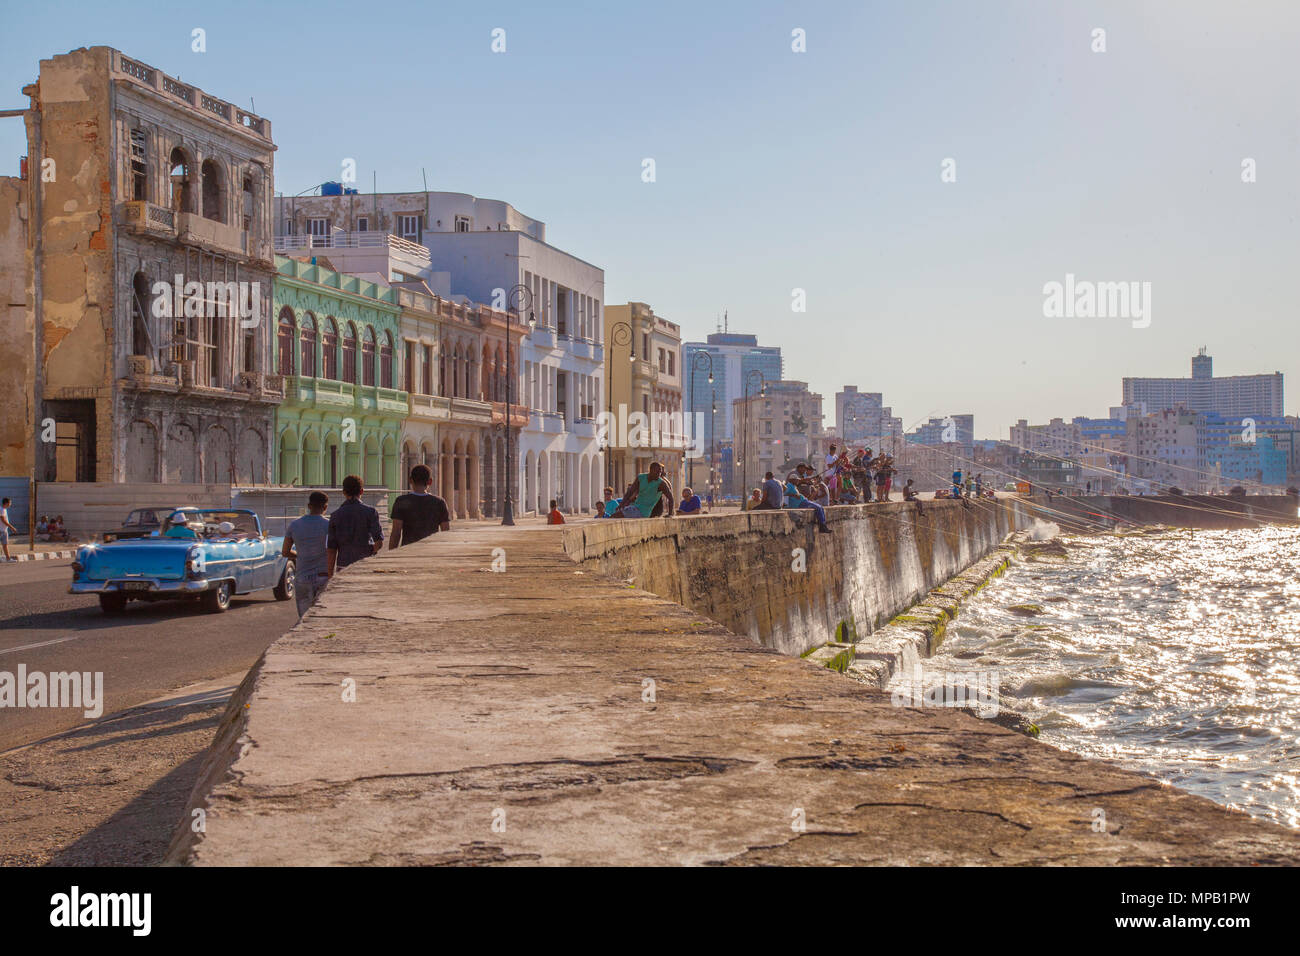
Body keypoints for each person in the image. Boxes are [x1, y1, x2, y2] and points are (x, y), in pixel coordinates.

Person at [283, 491, 331, 618]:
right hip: (323, 575)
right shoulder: (329, 525)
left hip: (302, 576)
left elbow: (285, 552)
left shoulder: (294, 525)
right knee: (322, 617)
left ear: (309, 506)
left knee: (304, 619)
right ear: (325, 507)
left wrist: (300, 555)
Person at [327, 475, 384, 575]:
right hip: (364, 565)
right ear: (361, 491)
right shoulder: (370, 512)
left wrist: (330, 575)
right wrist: (370, 551)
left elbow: (331, 549)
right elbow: (379, 542)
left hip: (343, 566)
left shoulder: (335, 516)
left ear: (344, 492)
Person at [388, 464, 450, 548]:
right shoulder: (439, 502)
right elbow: (445, 532)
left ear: (410, 480)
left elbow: (396, 532)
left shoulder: (401, 501)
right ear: (430, 481)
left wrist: (391, 554)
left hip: (407, 551)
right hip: (432, 550)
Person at [0, 497, 16, 561]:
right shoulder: (1, 509)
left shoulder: (4, 509)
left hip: (4, 530)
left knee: (5, 545)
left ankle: (8, 558)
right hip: (1, 530)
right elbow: (3, 520)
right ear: (6, 503)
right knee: (5, 545)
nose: (10, 504)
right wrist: (12, 527)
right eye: (10, 503)